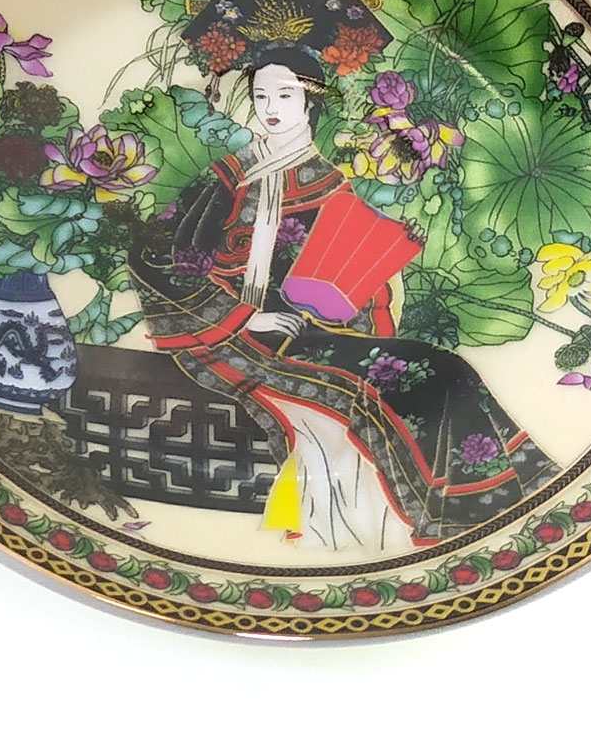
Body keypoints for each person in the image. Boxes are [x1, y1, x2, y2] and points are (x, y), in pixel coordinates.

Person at [130, 41, 557, 553]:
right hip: (233, 336)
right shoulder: (228, 176)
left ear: (310, 101)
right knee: (393, 385)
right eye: (261, 95)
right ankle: (456, 515)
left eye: (284, 95)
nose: (270, 108)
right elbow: (158, 254)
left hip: (315, 333)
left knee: (447, 368)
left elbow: (357, 279)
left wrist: (366, 299)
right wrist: (242, 317)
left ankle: (497, 500)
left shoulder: (333, 182)